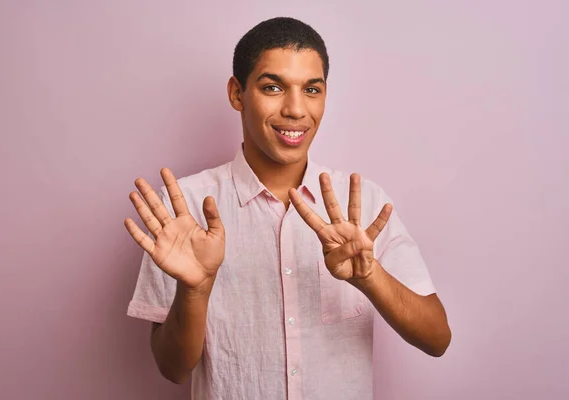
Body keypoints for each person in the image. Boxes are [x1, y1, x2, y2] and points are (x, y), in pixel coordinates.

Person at [125, 17, 451, 400]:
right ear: (237, 94)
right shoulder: (186, 209)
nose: (296, 110)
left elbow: (437, 339)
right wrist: (195, 289)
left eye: (311, 89)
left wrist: (370, 277)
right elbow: (173, 369)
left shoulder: (364, 205)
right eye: (273, 87)